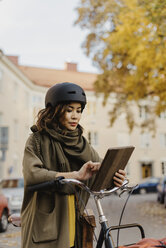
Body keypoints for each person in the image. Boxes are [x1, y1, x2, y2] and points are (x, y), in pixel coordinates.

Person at [21, 82, 126, 248]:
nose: (75, 116)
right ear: (55, 110)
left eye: (78, 111)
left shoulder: (82, 143)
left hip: (76, 223)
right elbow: (32, 175)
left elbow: (97, 175)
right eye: (69, 110)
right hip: (46, 225)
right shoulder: (37, 140)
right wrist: (75, 176)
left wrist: (114, 178)